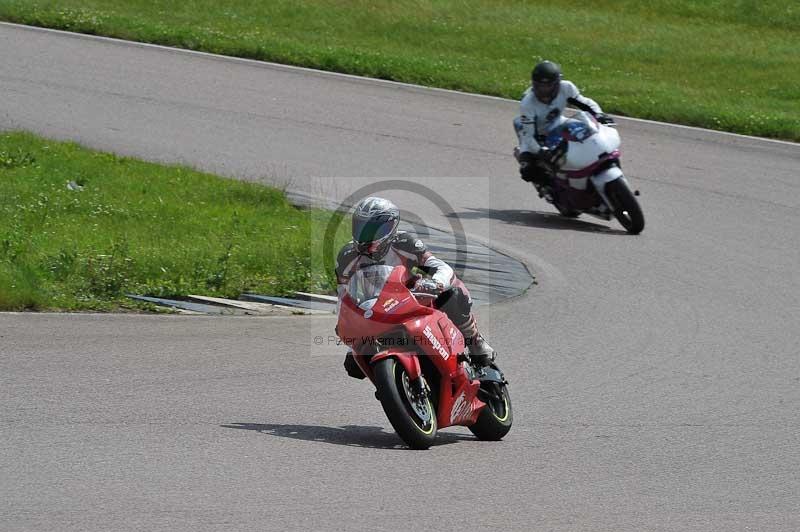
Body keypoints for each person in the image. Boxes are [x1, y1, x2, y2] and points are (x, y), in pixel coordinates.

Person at [336, 196, 496, 368]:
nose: (366, 236)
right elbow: (343, 297)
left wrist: (436, 283)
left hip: (412, 299)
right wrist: (347, 328)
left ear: (390, 228)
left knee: (453, 293)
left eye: (374, 231)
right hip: (376, 312)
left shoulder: (404, 243)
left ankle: (474, 340)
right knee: (354, 365)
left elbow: (441, 267)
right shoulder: (347, 256)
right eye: (362, 229)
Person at [513, 60, 614, 187]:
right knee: (529, 170)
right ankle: (550, 189)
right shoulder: (527, 103)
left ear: (557, 83)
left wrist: (599, 114)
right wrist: (541, 150)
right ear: (533, 84)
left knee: (587, 133)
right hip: (535, 133)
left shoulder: (566, 87)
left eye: (548, 86)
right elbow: (529, 136)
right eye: (539, 86)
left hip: (557, 123)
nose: (543, 90)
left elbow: (584, 103)